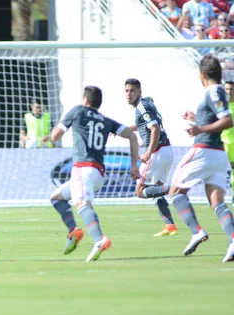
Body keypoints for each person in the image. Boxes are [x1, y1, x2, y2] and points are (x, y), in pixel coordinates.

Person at [49, 86, 140, 262]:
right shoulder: (106, 120)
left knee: (82, 204)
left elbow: (55, 136)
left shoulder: (77, 111)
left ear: (84, 100)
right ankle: (73, 230)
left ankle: (99, 240)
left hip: (83, 169)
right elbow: (132, 136)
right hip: (98, 174)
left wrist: (57, 128)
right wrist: (134, 165)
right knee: (56, 197)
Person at [170, 54, 234, 262]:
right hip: (218, 154)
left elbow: (227, 120)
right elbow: (219, 118)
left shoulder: (214, 90)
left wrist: (199, 128)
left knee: (176, 192)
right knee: (217, 201)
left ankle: (196, 231)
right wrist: (196, 119)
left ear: (202, 74)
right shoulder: (217, 91)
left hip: (204, 150)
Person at [124, 78, 177, 237]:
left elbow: (154, 128)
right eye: (126, 91)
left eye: (132, 91)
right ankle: (170, 225)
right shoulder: (146, 104)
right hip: (166, 150)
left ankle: (176, 188)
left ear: (140, 91)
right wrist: (123, 129)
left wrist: (148, 152)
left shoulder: (142, 106)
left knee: (140, 190)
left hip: (157, 152)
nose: (129, 94)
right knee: (155, 190)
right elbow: (143, 125)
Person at [222, 80, 234, 200]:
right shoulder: (221, 106)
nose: (229, 91)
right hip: (222, 143)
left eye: (231, 89)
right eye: (227, 89)